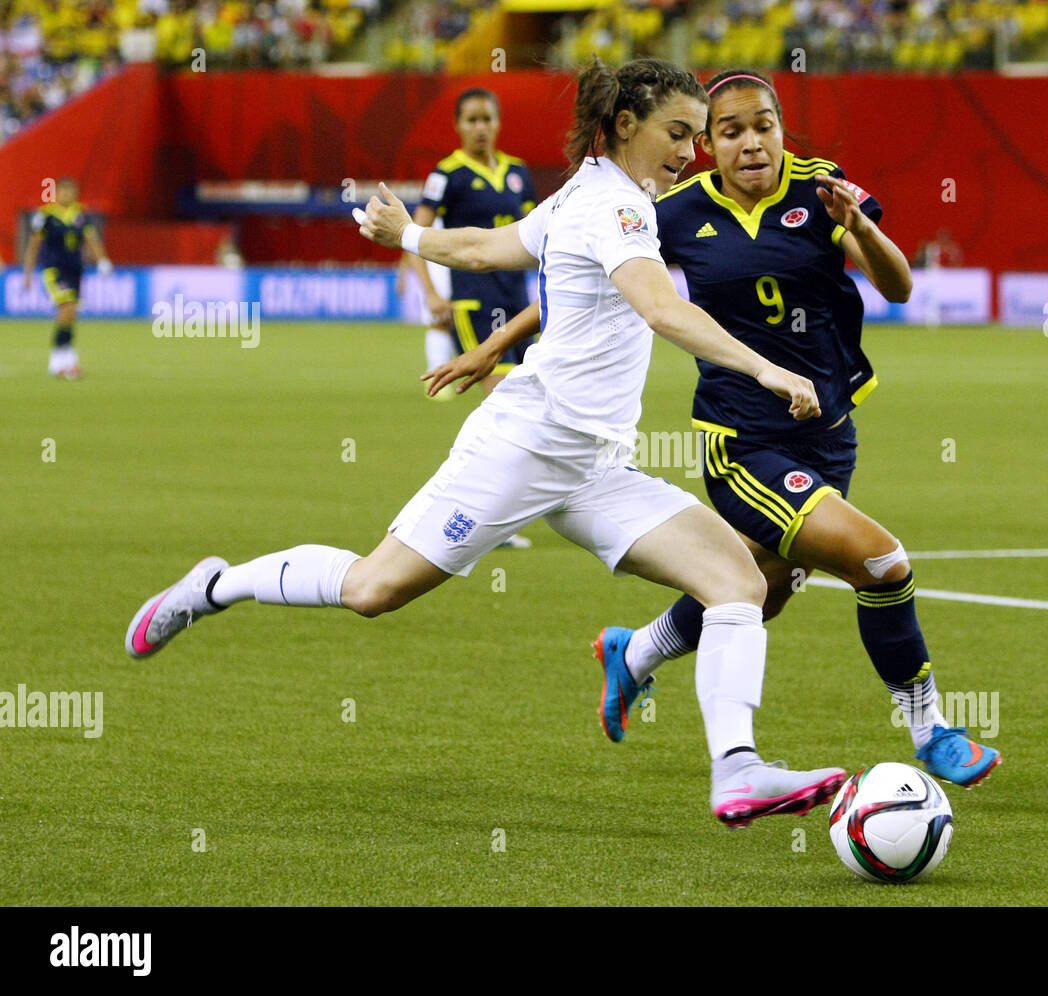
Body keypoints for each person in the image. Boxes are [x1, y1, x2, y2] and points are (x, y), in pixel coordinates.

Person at [124, 58, 846, 829]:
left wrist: (411, 234)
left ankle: (738, 772)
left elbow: (490, 248)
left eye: (696, 139)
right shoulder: (616, 208)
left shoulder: (598, 192)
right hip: (525, 448)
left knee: (737, 582)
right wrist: (768, 368)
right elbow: (661, 308)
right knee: (373, 591)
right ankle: (213, 586)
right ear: (627, 125)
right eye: (679, 134)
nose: (690, 154)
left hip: (596, 466)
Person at [426, 69, 1002, 789]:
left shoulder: (820, 187)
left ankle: (634, 654)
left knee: (770, 586)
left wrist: (860, 226)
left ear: (781, 130)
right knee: (880, 561)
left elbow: (897, 286)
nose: (750, 142)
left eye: (763, 125)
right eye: (729, 132)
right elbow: (598, 273)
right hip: (743, 441)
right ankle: (932, 730)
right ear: (708, 144)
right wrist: (490, 346)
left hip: (828, 429)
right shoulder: (674, 210)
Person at [399, 88, 538, 398]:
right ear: (457, 125)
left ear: (498, 123)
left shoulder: (518, 171)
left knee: (530, 396)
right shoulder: (448, 175)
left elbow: (539, 235)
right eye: (472, 120)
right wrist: (431, 294)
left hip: (518, 301)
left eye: (487, 119)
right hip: (475, 301)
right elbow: (413, 236)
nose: (480, 127)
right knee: (505, 398)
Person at [21, 178, 112, 379]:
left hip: (75, 270)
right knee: (67, 306)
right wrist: (27, 274)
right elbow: (34, 245)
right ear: (56, 193)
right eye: (63, 192)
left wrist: (102, 261)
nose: (67, 195)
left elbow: (91, 240)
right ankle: (57, 361)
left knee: (71, 314)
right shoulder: (46, 215)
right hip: (54, 270)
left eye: (70, 192)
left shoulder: (81, 215)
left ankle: (67, 359)